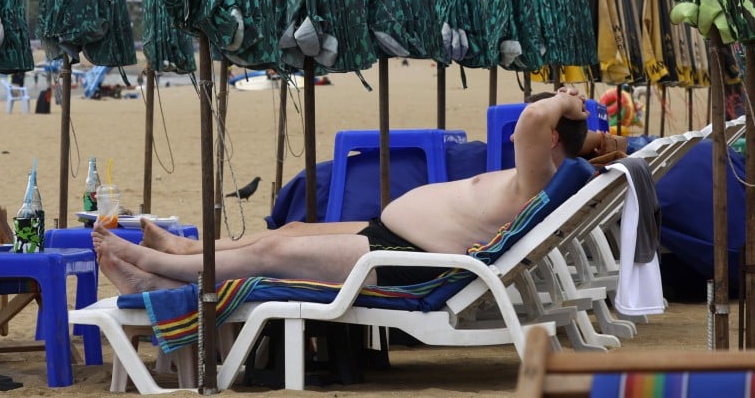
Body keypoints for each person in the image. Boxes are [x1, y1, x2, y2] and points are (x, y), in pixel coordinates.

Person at [95, 87, 595, 294]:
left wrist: (566, 102)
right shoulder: (549, 169)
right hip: (392, 239)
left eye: (525, 134)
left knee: (269, 251)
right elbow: (545, 129)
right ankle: (185, 249)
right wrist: (582, 125)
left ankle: (155, 272)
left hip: (410, 259)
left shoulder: (538, 178)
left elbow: (531, 118)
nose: (511, 137)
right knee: (290, 229)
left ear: (549, 137)